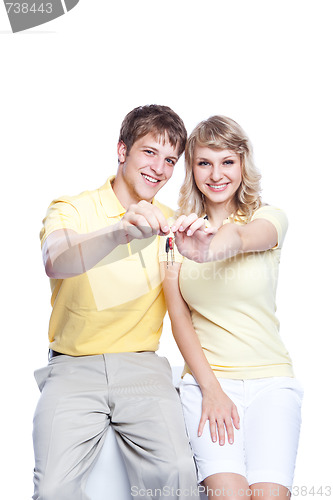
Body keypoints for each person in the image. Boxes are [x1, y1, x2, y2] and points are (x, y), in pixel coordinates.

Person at [33, 104, 199, 500]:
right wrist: (117, 233)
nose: (159, 169)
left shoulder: (171, 223)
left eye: (170, 160)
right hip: (74, 368)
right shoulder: (73, 207)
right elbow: (55, 260)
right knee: (54, 488)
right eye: (149, 152)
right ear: (122, 150)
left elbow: (195, 305)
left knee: (177, 472)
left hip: (142, 367)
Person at [161, 116, 303, 500]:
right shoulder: (176, 234)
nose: (216, 173)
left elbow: (240, 237)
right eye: (204, 162)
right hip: (207, 384)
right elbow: (178, 319)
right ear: (192, 169)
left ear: (243, 164)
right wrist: (212, 389)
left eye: (227, 161)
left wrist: (208, 250)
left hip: (271, 382)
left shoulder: (268, 218)